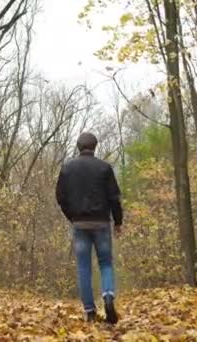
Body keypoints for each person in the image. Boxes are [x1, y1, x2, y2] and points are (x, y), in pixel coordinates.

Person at [55, 132, 123, 324]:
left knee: (84, 267)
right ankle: (108, 296)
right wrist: (118, 222)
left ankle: (90, 311)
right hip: (101, 223)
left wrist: (72, 217)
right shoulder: (104, 168)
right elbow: (114, 198)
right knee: (106, 263)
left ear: (78, 146)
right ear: (95, 146)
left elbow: (60, 197)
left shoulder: (67, 168)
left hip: (80, 224)